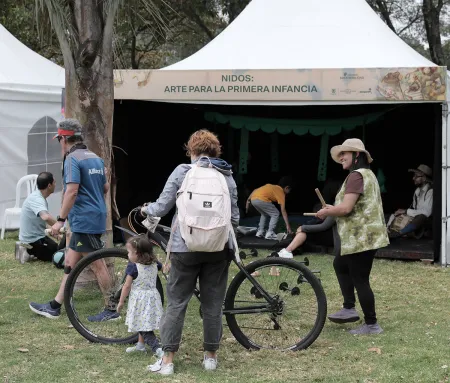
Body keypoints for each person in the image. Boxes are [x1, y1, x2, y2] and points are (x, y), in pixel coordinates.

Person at [144, 129, 239, 375]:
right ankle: (210, 357)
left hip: (183, 247)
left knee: (176, 302)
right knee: (213, 303)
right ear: (215, 151)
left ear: (192, 151)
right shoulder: (225, 175)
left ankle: (167, 361)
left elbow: (162, 206)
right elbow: (234, 218)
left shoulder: (182, 171)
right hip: (218, 249)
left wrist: (147, 210)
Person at [29, 118, 113, 321]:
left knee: (97, 264)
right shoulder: (94, 157)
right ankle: (55, 306)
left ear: (64, 139)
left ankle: (112, 309)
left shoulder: (72, 159)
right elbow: (104, 188)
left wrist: (60, 220)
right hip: (93, 215)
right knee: (69, 261)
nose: (59, 144)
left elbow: (72, 191)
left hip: (84, 219)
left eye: (59, 140)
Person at [316, 138, 389, 335]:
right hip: (367, 236)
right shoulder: (368, 175)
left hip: (362, 238)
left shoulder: (356, 176)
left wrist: (328, 211)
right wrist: (332, 209)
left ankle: (372, 324)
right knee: (340, 264)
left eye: (344, 154)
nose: (340, 158)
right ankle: (349, 308)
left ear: (357, 155)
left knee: (360, 279)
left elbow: (347, 207)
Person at [117, 235, 164, 358]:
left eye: (129, 252)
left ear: (137, 253)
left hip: (140, 300)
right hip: (152, 298)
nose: (128, 255)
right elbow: (164, 268)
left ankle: (157, 348)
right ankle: (140, 345)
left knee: (142, 326)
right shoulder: (154, 263)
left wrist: (121, 301)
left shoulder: (133, 267)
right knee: (143, 322)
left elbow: (126, 286)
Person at [19, 172, 57, 262]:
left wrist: (55, 232)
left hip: (37, 238)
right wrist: (60, 225)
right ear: (49, 185)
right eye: (54, 182)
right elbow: (46, 217)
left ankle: (28, 249)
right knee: (59, 253)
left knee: (59, 248)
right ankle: (28, 251)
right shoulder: (37, 199)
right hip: (33, 241)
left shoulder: (38, 196)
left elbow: (41, 221)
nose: (55, 184)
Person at [387, 164, 433, 239]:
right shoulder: (417, 191)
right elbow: (415, 209)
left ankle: (398, 234)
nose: (413, 178)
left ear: (424, 178)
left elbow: (426, 213)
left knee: (421, 217)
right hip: (416, 221)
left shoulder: (430, 191)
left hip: (426, 222)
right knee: (394, 214)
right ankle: (389, 230)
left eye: (416, 176)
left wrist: (406, 211)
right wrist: (402, 213)